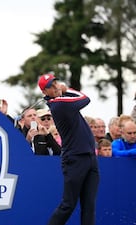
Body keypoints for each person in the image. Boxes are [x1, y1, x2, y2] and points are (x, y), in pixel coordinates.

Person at [38, 73, 99, 225]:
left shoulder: (61, 101)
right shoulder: (58, 104)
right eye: (50, 86)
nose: (56, 87)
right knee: (68, 205)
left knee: (89, 206)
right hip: (75, 159)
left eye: (56, 83)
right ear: (45, 92)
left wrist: (63, 90)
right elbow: (84, 98)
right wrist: (67, 89)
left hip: (89, 157)